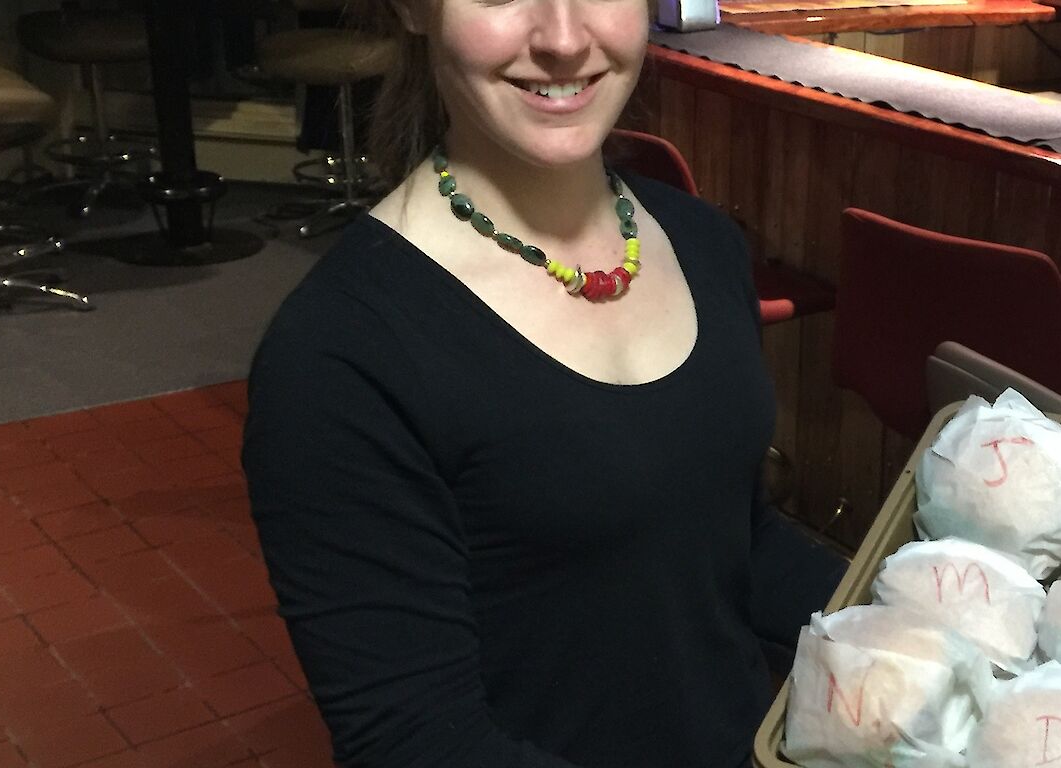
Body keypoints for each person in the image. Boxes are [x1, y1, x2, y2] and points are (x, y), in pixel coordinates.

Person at [240, 1, 846, 766]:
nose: (563, 38)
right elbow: (418, 741)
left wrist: (916, 615)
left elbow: (733, 543)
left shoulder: (702, 243)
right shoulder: (340, 354)